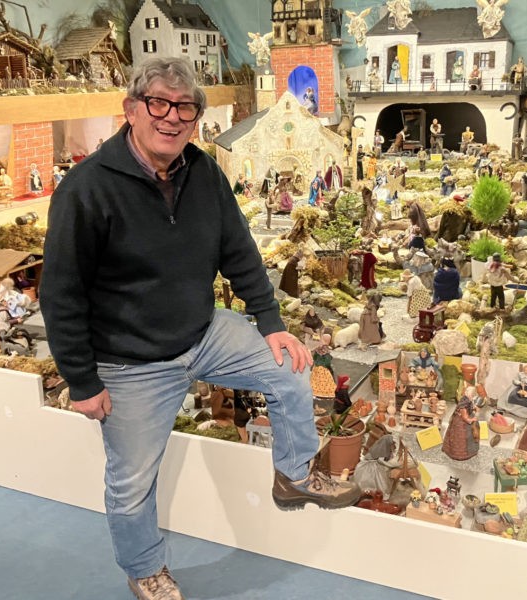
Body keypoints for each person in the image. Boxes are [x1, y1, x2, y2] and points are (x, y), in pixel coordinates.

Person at [40, 57, 360, 600]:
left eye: (185, 108)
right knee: (131, 483)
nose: (171, 117)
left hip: (204, 333)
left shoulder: (202, 171)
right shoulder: (86, 189)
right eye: (158, 104)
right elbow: (60, 292)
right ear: (131, 109)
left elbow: (238, 249)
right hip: (130, 363)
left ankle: (294, 474)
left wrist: (271, 323)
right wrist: (82, 380)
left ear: (195, 119)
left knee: (290, 368)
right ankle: (145, 568)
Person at [441, 385, 480, 461]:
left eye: (469, 392)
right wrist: (472, 419)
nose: (467, 392)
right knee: (464, 437)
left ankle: (471, 451)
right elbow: (465, 417)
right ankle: (459, 454)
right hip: (461, 423)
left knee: (472, 434)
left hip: (465, 417)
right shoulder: (464, 403)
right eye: (468, 391)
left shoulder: (468, 399)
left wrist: (474, 408)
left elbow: (471, 405)